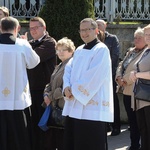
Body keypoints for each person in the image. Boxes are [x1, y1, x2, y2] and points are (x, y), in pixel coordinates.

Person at [62, 18, 114, 150]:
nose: (84, 33)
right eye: (81, 30)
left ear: (96, 31)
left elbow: (94, 76)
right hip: (74, 106)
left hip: (92, 110)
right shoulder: (79, 50)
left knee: (90, 143)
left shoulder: (101, 50)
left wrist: (73, 90)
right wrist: (66, 87)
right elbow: (68, 69)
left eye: (87, 30)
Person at [0, 16, 40, 150]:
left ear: (0, 28)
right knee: (19, 134)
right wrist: (27, 43)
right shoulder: (22, 45)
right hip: (17, 97)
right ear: (17, 28)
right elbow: (34, 62)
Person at [26, 17, 57, 150]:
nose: (32, 30)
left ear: (43, 28)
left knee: (45, 125)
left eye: (36, 27)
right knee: (33, 124)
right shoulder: (29, 43)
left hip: (44, 91)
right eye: (31, 28)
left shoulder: (50, 42)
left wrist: (24, 46)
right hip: (30, 90)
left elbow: (34, 58)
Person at [116, 27, 147, 150]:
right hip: (126, 91)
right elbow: (121, 64)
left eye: (139, 38)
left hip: (137, 92)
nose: (136, 40)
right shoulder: (131, 51)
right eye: (135, 37)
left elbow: (138, 70)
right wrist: (118, 76)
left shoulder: (146, 53)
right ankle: (134, 144)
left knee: (139, 122)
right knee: (131, 121)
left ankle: (138, 145)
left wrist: (125, 80)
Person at [42, 37, 75, 150]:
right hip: (54, 107)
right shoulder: (59, 65)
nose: (60, 52)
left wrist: (50, 96)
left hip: (63, 107)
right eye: (58, 50)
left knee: (63, 142)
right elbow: (50, 83)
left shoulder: (72, 65)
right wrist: (46, 93)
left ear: (71, 51)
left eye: (63, 50)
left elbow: (65, 88)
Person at [96, 19, 120, 136]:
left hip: (110, 75)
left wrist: (106, 71)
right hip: (97, 77)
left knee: (112, 100)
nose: (98, 27)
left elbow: (115, 56)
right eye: (96, 25)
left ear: (105, 26)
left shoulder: (112, 38)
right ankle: (105, 126)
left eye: (100, 25)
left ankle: (116, 126)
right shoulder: (94, 40)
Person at [129, 24, 150, 150]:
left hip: (148, 98)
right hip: (141, 97)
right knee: (144, 130)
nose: (147, 37)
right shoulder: (146, 50)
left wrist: (137, 74)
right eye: (146, 34)